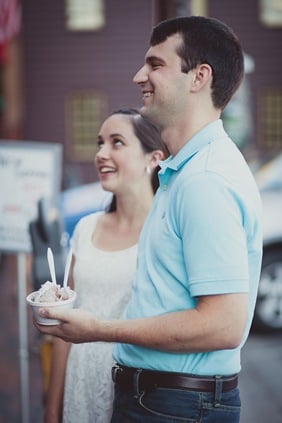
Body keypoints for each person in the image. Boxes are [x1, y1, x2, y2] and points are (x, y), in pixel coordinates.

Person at [35, 16, 263, 423]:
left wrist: (99, 329)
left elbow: (224, 325)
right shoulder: (184, 172)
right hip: (164, 399)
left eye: (155, 64)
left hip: (174, 404)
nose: (139, 75)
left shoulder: (205, 178)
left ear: (198, 77)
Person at [43, 108, 166, 423]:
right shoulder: (86, 227)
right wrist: (52, 410)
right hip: (79, 382)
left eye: (117, 143)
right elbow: (65, 325)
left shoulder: (166, 231)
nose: (101, 153)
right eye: (100, 143)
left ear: (153, 159)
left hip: (138, 392)